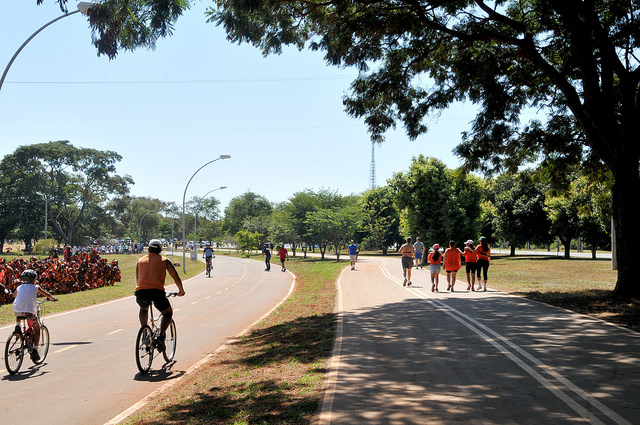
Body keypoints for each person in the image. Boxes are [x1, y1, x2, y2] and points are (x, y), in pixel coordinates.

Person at [135, 239, 185, 352]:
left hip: (141, 292)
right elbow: (175, 276)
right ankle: (160, 336)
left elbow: (137, 279)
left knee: (143, 309)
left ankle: (144, 332)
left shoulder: (140, 261)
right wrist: (181, 290)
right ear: (160, 250)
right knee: (168, 313)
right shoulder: (164, 260)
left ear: (148, 250)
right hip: (157, 292)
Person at [12, 269, 57, 361]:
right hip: (29, 312)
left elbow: (14, 295)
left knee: (19, 312)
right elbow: (46, 294)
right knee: (37, 329)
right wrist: (52, 298)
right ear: (34, 279)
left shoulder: (19, 288)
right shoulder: (36, 287)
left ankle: (17, 326)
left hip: (17, 310)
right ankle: (35, 349)